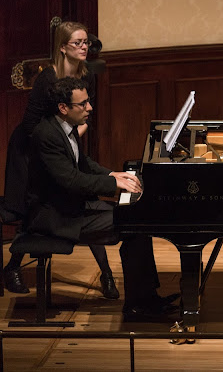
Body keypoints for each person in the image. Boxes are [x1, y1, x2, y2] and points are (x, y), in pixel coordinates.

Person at [24, 76, 177, 321]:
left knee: (137, 221)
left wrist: (111, 173)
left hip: (70, 207)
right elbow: (71, 180)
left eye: (88, 102)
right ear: (63, 108)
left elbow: (83, 164)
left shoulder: (64, 126)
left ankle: (146, 299)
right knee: (134, 224)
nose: (89, 108)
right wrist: (113, 184)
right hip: (55, 216)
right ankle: (139, 306)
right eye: (82, 104)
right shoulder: (47, 135)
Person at [3, 21, 120, 299]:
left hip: (64, 141)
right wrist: (60, 141)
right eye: (77, 43)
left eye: (86, 43)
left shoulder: (86, 74)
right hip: (32, 147)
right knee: (38, 209)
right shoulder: (48, 78)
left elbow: (84, 111)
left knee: (78, 200)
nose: (84, 47)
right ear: (63, 48)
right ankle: (12, 268)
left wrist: (72, 137)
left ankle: (106, 275)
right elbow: (31, 124)